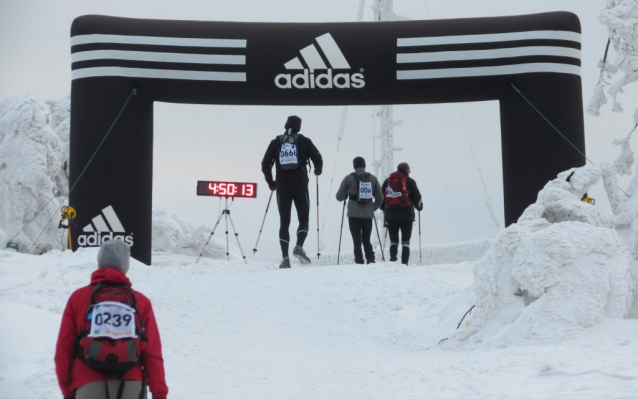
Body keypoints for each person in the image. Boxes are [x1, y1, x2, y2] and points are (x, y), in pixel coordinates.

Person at [55, 239, 168, 399]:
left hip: (88, 383)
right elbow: (152, 353)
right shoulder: (141, 302)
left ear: (100, 262)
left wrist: (68, 389)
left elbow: (64, 348)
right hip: (131, 384)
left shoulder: (78, 298)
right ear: (125, 266)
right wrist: (159, 393)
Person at [261, 115, 323, 269]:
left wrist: (271, 182)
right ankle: (299, 247)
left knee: (284, 222)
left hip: (282, 186)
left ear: (285, 125)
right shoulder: (304, 141)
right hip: (300, 185)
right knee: (303, 219)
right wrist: (317, 170)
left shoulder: (276, 142)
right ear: (299, 127)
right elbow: (318, 158)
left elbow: (265, 164)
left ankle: (285, 258)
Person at [335, 156, 383, 264]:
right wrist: (373, 208)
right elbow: (380, 197)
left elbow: (339, 197)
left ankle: (359, 261)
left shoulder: (349, 178)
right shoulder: (372, 178)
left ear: (354, 166)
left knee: (356, 240)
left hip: (353, 214)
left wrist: (346, 195)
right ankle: (371, 259)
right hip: (367, 214)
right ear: (364, 165)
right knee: (366, 239)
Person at [380, 162, 423, 265]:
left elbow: (381, 200)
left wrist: (386, 209)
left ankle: (393, 260)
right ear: (407, 171)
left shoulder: (387, 181)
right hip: (406, 216)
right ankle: (404, 264)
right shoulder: (410, 181)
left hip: (390, 216)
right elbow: (418, 199)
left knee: (393, 241)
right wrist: (419, 207)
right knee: (405, 241)